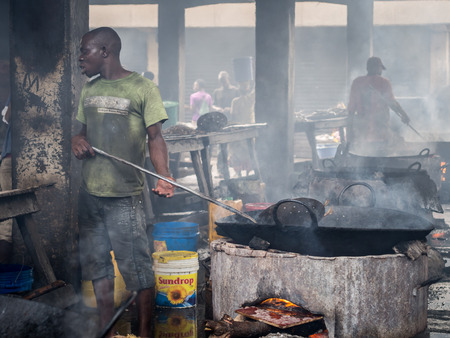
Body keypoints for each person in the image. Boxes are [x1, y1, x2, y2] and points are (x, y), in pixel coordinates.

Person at [71, 27, 174, 338]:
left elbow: (156, 138)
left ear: (106, 52)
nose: (80, 57)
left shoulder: (142, 87)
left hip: (124, 195)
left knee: (137, 270)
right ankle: (109, 331)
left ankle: (144, 333)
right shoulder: (88, 89)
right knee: (97, 267)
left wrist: (164, 174)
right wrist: (76, 140)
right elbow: (78, 132)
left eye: (85, 51)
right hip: (90, 194)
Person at [347, 56, 410, 153]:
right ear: (377, 68)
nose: (381, 71)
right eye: (380, 68)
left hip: (362, 132)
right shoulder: (384, 82)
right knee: (386, 154)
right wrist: (404, 115)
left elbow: (351, 110)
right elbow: (392, 103)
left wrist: (350, 133)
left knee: (364, 158)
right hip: (380, 132)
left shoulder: (357, 82)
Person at [0, 59, 12, 264]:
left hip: (11, 159)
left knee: (6, 223)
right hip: (9, 158)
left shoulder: (18, 89)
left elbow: (8, 117)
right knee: (5, 223)